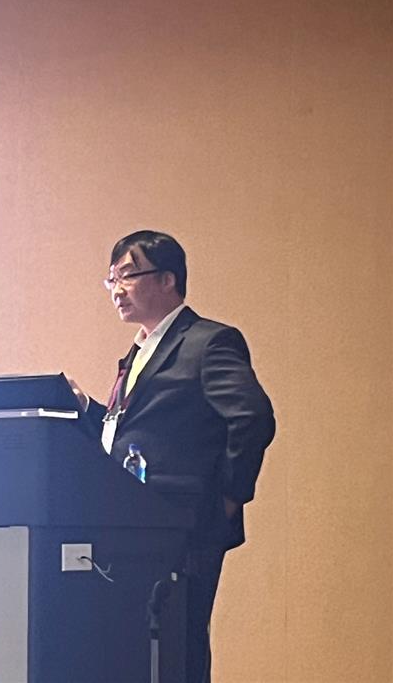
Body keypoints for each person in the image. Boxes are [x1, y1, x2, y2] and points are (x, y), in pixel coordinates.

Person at [77, 229, 275, 683]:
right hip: (134, 526)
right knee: (140, 650)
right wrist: (86, 409)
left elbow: (252, 418)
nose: (117, 289)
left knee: (178, 648)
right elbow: (134, 432)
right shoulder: (139, 351)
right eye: (111, 279)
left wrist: (229, 497)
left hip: (184, 525)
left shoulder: (207, 342)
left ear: (168, 279)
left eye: (127, 275)